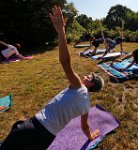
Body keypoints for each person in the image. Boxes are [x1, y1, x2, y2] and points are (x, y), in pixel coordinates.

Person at [0, 5, 104, 150]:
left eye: (89, 76)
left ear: (91, 84)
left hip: (33, 128)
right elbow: (85, 126)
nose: (85, 75)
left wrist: (61, 33)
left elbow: (65, 63)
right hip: (47, 138)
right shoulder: (86, 105)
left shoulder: (79, 86)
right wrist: (90, 136)